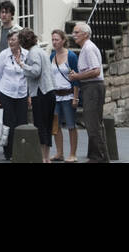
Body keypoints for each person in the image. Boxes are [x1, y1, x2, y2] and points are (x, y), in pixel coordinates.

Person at [69, 22, 107, 162]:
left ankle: (98, 157)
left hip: (93, 87)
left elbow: (96, 70)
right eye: (73, 32)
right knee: (94, 124)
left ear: (85, 34)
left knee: (93, 125)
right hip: (91, 88)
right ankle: (97, 156)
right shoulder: (86, 48)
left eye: (77, 32)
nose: (74, 35)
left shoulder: (89, 48)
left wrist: (77, 76)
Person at [18, 28, 55, 163]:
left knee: (40, 125)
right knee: (48, 125)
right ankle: (46, 157)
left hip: (41, 93)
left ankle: (42, 158)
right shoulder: (41, 51)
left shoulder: (33, 53)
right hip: (49, 91)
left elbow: (36, 71)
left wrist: (23, 66)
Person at [0, 30, 30, 161]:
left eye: (13, 39)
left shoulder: (26, 54)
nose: (11, 42)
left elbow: (29, 76)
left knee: (22, 123)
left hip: (22, 94)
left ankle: (21, 150)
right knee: (9, 124)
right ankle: (9, 152)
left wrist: (29, 95)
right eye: (9, 40)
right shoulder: (4, 55)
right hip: (6, 93)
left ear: (19, 40)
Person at [48, 28, 79, 161]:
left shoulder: (71, 56)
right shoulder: (51, 56)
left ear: (63, 40)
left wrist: (75, 97)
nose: (54, 42)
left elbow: (76, 77)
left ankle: (73, 154)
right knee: (56, 126)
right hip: (55, 96)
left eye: (57, 39)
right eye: (53, 40)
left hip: (68, 95)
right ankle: (59, 153)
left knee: (71, 125)